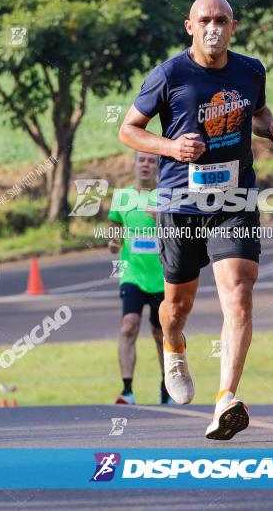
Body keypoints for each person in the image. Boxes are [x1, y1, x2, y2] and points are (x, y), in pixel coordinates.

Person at [119, 0, 273, 439]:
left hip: (234, 200)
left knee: (239, 290)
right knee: (176, 308)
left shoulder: (250, 70)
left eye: (222, 19)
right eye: (205, 19)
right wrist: (171, 147)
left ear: (233, 26)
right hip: (181, 203)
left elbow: (256, 113)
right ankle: (174, 349)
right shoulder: (169, 74)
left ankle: (225, 401)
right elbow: (128, 130)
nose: (214, 26)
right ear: (189, 26)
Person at [108, 151, 173, 405]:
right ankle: (127, 390)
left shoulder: (167, 197)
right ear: (134, 164)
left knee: (161, 334)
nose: (145, 165)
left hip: (161, 277)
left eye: (151, 161)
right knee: (128, 326)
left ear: (158, 167)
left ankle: (166, 388)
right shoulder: (122, 197)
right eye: (141, 160)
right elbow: (115, 229)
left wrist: (162, 219)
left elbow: (183, 234)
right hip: (132, 274)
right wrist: (114, 242)